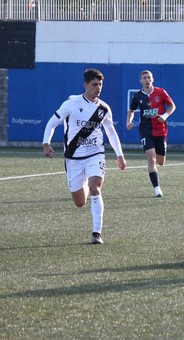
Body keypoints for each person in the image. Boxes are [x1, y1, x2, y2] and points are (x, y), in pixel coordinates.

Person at [42, 68, 127, 245]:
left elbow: (111, 132)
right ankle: (86, 187)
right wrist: (46, 143)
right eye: (95, 84)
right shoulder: (71, 104)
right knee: (80, 202)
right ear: (85, 85)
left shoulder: (104, 109)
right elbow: (52, 123)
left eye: (100, 84)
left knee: (96, 187)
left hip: (95, 154)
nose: (98, 88)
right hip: (73, 158)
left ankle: (97, 233)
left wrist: (120, 155)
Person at [126, 70, 176, 198]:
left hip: (161, 130)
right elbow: (131, 111)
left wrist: (165, 115)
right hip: (146, 130)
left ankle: (160, 158)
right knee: (151, 158)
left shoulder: (161, 92)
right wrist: (129, 122)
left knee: (161, 161)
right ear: (140, 81)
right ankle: (157, 189)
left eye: (149, 78)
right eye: (144, 78)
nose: (147, 80)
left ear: (152, 79)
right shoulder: (137, 96)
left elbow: (172, 106)